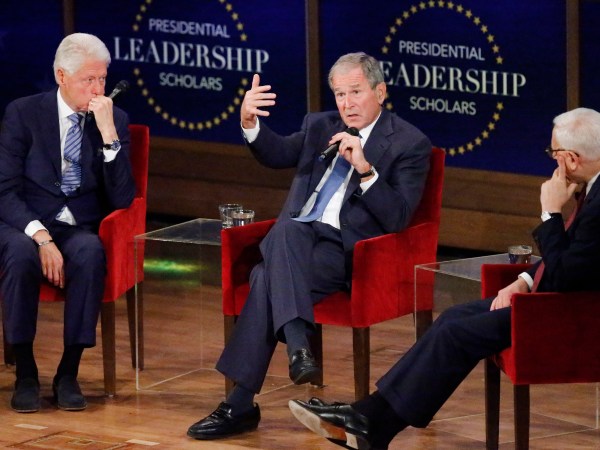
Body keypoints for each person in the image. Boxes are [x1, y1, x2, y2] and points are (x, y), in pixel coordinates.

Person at [288, 107, 600, 450]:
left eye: (553, 154)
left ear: (570, 159)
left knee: (456, 332)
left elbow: (569, 274)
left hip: (579, 316)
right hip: (561, 300)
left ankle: (370, 421)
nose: (552, 162)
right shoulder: (592, 188)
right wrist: (524, 279)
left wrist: (550, 213)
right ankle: (370, 420)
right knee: (453, 317)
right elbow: (575, 260)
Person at [187, 52, 431, 440]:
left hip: (346, 253)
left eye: (355, 92)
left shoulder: (409, 143)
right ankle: (297, 350)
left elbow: (400, 216)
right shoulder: (320, 125)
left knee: (265, 273)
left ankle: (241, 404)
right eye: (339, 94)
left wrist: (366, 170)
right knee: (289, 231)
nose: (346, 104)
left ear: (380, 92)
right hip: (299, 239)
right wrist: (249, 123)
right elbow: (278, 152)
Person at [0, 33, 135, 413]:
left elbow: (124, 199)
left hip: (78, 227)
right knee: (18, 254)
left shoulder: (114, 119)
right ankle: (26, 372)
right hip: (26, 223)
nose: (97, 89)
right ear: (61, 75)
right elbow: (5, 189)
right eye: (87, 80)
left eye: (102, 80)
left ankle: (68, 373)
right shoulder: (23, 113)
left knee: (92, 252)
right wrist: (40, 237)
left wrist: (109, 136)